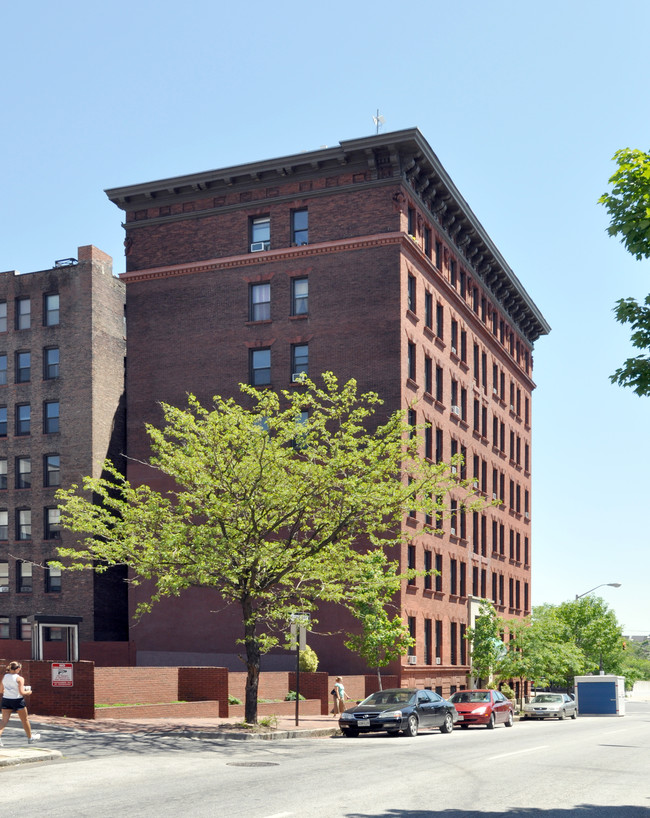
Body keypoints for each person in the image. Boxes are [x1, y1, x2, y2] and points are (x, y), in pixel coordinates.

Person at [0, 661, 40, 745]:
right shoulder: (19, 678)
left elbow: (1, 690)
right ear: (18, 668)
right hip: (17, 700)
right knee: (25, 720)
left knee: (4, 721)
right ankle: (30, 738)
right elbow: (21, 692)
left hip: (6, 699)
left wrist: (9, 691)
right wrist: (28, 692)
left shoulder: (5, 677)